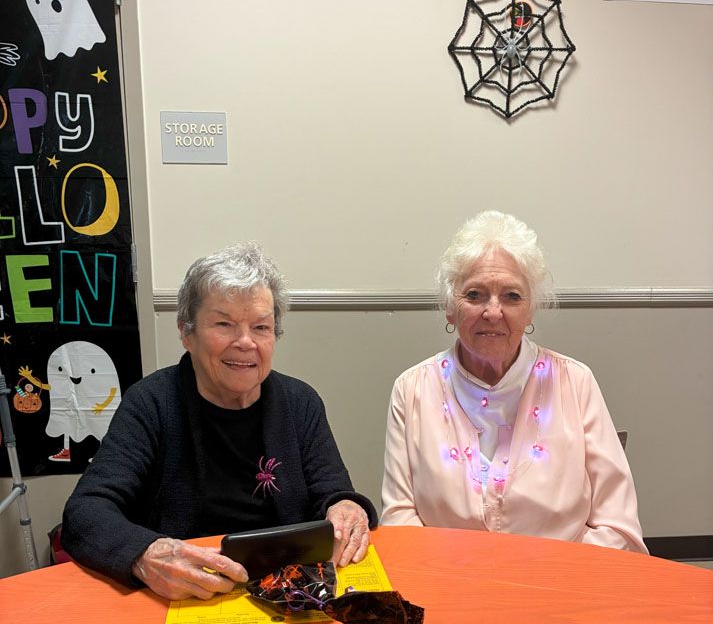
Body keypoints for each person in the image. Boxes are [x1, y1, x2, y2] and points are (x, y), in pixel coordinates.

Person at [62, 244, 377, 599]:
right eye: (224, 324)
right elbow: (85, 512)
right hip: (184, 593)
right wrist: (145, 555)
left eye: (261, 327)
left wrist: (347, 508)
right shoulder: (151, 403)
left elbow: (333, 492)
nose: (245, 342)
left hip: (288, 590)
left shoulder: (300, 402)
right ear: (186, 333)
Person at [381, 211, 647, 553]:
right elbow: (400, 518)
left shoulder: (575, 381)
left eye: (512, 296)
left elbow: (617, 526)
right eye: (474, 295)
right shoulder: (413, 388)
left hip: (563, 577)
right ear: (450, 308)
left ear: (531, 309)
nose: (493, 312)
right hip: (450, 577)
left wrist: (549, 577)